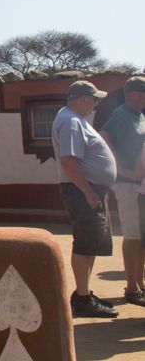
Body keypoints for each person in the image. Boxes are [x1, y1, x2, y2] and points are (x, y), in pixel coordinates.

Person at [53, 80, 118, 318]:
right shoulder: (71, 122)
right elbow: (68, 161)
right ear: (82, 99)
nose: (95, 104)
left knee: (90, 243)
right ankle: (82, 298)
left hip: (87, 189)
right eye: (94, 99)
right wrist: (88, 193)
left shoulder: (74, 119)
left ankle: (84, 294)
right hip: (83, 190)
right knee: (84, 243)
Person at [100, 76, 145, 306]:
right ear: (134, 93)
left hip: (140, 185)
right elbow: (104, 140)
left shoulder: (140, 115)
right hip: (127, 184)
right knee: (132, 235)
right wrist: (123, 170)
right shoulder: (121, 115)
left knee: (141, 236)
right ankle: (131, 287)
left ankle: (140, 282)